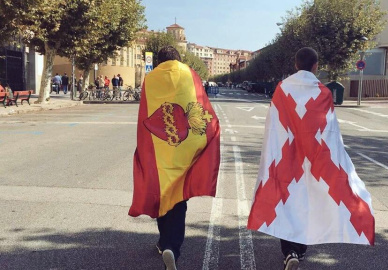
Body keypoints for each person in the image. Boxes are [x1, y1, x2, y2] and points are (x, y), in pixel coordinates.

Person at [247, 47, 375, 270]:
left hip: (287, 159)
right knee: (307, 201)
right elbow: (331, 132)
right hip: (315, 160)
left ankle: (290, 251)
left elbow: (274, 126)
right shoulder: (323, 92)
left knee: (287, 202)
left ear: (296, 65)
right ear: (315, 66)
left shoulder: (282, 88)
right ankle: (300, 249)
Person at [128, 46, 220, 270]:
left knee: (161, 194)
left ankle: (163, 242)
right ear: (178, 59)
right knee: (178, 199)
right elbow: (200, 105)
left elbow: (145, 116)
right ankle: (172, 247)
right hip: (183, 150)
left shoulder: (150, 79)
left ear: (160, 61)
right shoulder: (190, 74)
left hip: (158, 150)